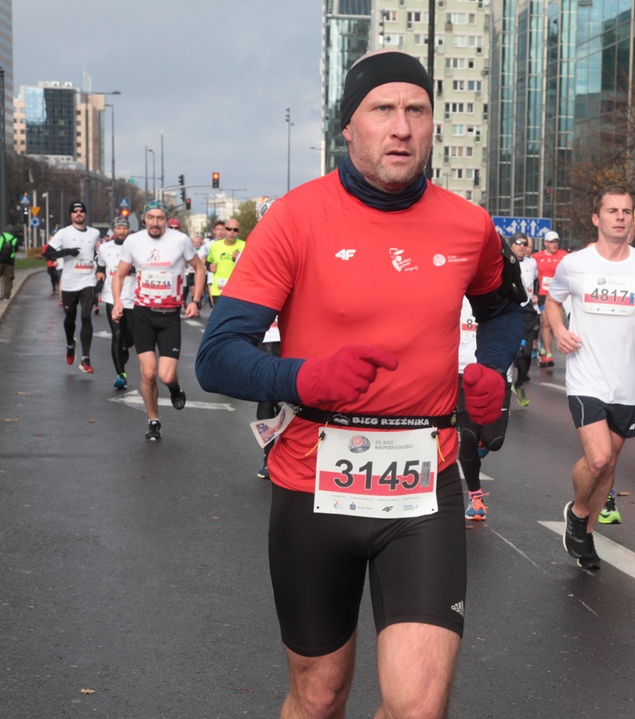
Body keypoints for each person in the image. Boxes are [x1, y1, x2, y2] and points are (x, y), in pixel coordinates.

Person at [194, 50, 522, 718]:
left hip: (424, 484)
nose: (401, 127)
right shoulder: (294, 218)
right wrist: (306, 376)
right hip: (313, 482)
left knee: (418, 707)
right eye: (382, 110)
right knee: (319, 695)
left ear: (433, 125)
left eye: (416, 110)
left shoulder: (469, 225)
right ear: (348, 126)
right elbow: (217, 355)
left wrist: (492, 368)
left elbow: (503, 310)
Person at [545, 184, 635, 569]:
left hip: (625, 380)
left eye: (626, 211)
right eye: (612, 210)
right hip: (585, 376)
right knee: (599, 457)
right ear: (596, 218)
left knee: (611, 461)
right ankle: (578, 513)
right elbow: (552, 301)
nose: (620, 217)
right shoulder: (575, 263)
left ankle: (584, 533)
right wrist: (560, 330)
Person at [111, 201, 205, 440]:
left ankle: (174, 386)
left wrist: (195, 301)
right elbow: (119, 274)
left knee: (166, 375)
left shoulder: (180, 240)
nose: (155, 222)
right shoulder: (133, 241)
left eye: (160, 218)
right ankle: (153, 420)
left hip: (170, 317)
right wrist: (118, 301)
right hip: (142, 314)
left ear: (166, 220)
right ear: (144, 219)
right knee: (149, 373)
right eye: (151, 217)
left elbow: (199, 268)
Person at [457, 298, 512, 520]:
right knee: (468, 436)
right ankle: (475, 497)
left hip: (497, 374)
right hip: (463, 373)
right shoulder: (455, 295)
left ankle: (483, 441)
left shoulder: (503, 296)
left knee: (494, 441)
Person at [44, 202, 101, 372]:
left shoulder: (95, 233)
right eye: (75, 211)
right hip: (69, 283)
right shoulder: (64, 233)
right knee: (70, 319)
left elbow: (95, 253)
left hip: (88, 281)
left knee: (86, 317)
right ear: (71, 215)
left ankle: (85, 359)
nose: (78, 213)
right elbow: (46, 253)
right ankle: (70, 344)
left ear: (85, 214)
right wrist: (67, 251)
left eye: (81, 211)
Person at [96, 217, 137, 390]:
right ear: (113, 230)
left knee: (130, 338)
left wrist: (134, 268)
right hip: (112, 297)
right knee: (117, 334)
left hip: (133, 298)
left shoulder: (136, 246)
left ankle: (126, 347)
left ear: (128, 229)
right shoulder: (104, 248)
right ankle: (121, 375)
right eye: (118, 228)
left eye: (124, 228)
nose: (121, 231)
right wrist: (99, 278)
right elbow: (100, 267)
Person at [509, 232, 539, 406]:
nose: (522, 246)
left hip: (528, 311)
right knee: (515, 353)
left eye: (525, 244)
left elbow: (536, 280)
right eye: (519, 242)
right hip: (510, 311)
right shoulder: (505, 261)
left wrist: (535, 294)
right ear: (511, 244)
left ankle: (519, 383)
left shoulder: (532, 263)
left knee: (526, 354)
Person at [535, 230, 568, 368]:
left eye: (556, 242)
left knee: (555, 323)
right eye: (551, 242)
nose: (554, 244)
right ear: (545, 243)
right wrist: (533, 294)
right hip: (543, 294)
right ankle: (548, 353)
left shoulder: (564, 256)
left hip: (559, 294)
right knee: (547, 322)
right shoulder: (537, 257)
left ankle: (544, 346)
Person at [208, 219, 245, 308]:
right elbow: (209, 262)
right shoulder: (215, 246)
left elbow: (250, 267)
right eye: (229, 229)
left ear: (239, 232)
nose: (232, 232)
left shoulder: (244, 245)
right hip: (219, 290)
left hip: (237, 291)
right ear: (224, 230)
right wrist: (210, 267)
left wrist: (239, 259)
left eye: (235, 230)